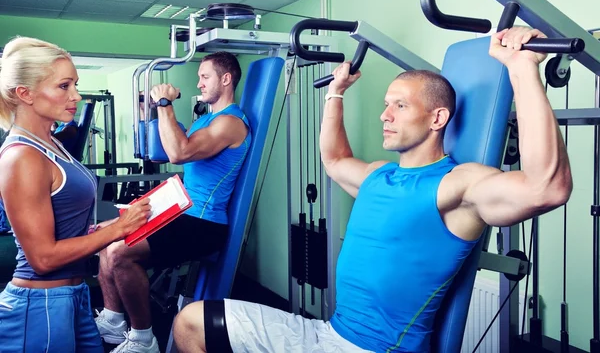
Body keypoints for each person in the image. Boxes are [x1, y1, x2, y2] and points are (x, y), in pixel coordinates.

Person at [171, 26, 573, 353]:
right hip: (326, 335)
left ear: (437, 118)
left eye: (399, 105)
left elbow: (546, 188)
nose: (384, 114)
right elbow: (333, 160)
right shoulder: (380, 175)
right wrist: (335, 93)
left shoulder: (456, 184)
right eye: (386, 104)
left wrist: (521, 68)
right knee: (191, 322)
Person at [0, 36, 151, 352]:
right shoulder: (22, 157)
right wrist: (119, 230)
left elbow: (63, 222)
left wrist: (102, 229)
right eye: (64, 86)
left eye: (75, 84)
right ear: (25, 94)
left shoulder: (50, 143)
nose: (76, 95)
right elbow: (42, 258)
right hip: (39, 305)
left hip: (74, 297)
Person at [95, 51, 251, 352]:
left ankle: (143, 338)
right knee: (105, 237)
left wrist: (165, 103)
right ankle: (114, 320)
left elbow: (179, 153)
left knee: (119, 254)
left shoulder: (231, 123)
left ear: (226, 79)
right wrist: (155, 108)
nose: (200, 82)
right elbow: (169, 148)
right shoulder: (207, 120)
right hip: (181, 211)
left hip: (204, 224)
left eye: (205, 76)